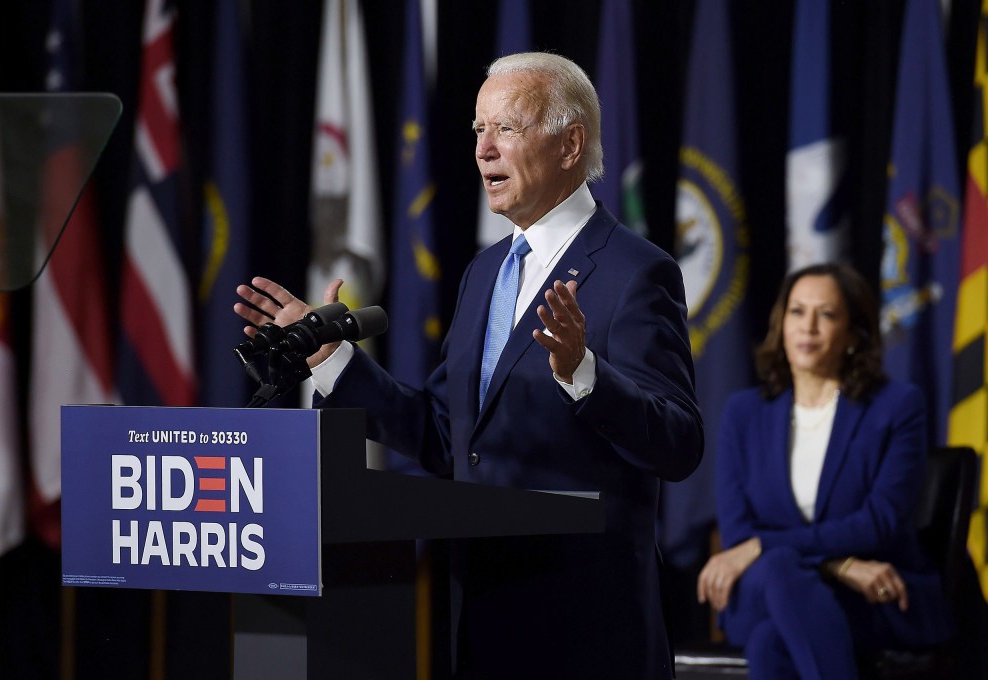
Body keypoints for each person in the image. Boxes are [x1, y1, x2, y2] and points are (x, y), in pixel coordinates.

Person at [235, 52, 703, 678]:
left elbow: (678, 443)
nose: (483, 150)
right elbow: (444, 435)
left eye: (506, 128)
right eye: (479, 130)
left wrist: (584, 374)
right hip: (481, 614)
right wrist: (333, 360)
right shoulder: (484, 273)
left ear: (570, 145)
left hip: (585, 628)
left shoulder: (635, 272)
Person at [696, 263, 954, 679]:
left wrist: (768, 546)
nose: (808, 327)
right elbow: (740, 533)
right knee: (780, 572)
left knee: (770, 642)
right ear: (781, 324)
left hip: (870, 598)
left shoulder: (896, 406)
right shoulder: (743, 413)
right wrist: (837, 565)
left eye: (827, 314)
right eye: (797, 311)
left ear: (853, 334)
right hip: (782, 586)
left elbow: (879, 523)